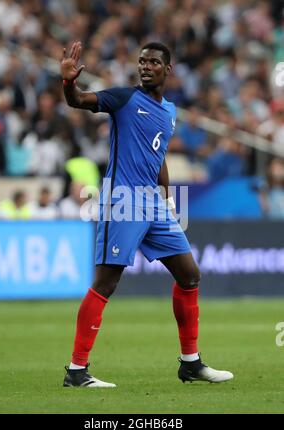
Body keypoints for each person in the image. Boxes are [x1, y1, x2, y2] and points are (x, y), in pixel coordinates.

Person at [61, 41, 234, 388]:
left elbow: (159, 156)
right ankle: (77, 371)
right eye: (142, 61)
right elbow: (79, 101)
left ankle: (190, 363)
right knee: (106, 283)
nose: (145, 66)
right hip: (123, 199)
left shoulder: (169, 111)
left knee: (190, 275)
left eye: (153, 62)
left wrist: (166, 197)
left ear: (167, 70)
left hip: (153, 204)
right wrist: (68, 83)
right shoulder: (124, 98)